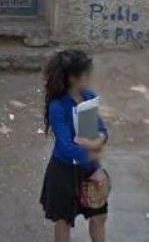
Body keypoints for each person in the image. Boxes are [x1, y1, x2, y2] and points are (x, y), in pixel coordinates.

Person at [40, 49, 109, 242]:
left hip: (89, 169)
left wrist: (96, 142)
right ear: (72, 78)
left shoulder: (88, 97)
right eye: (86, 74)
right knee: (63, 222)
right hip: (64, 171)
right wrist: (91, 154)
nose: (90, 77)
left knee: (99, 217)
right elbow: (66, 146)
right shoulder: (57, 106)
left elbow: (100, 128)